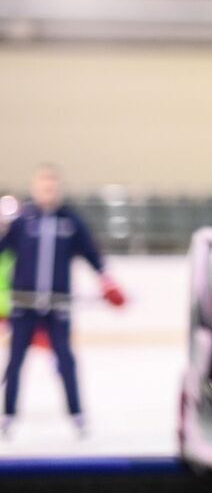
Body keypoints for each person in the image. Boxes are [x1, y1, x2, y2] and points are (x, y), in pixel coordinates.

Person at [0, 164, 125, 439]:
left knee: (65, 361)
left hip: (58, 307)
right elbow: (2, 250)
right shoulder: (23, 221)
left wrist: (107, 280)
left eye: (52, 186)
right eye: (43, 186)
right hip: (25, 305)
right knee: (16, 361)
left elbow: (92, 255)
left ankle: (77, 415)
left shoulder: (71, 222)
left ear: (58, 189)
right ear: (35, 188)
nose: (48, 191)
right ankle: (8, 415)